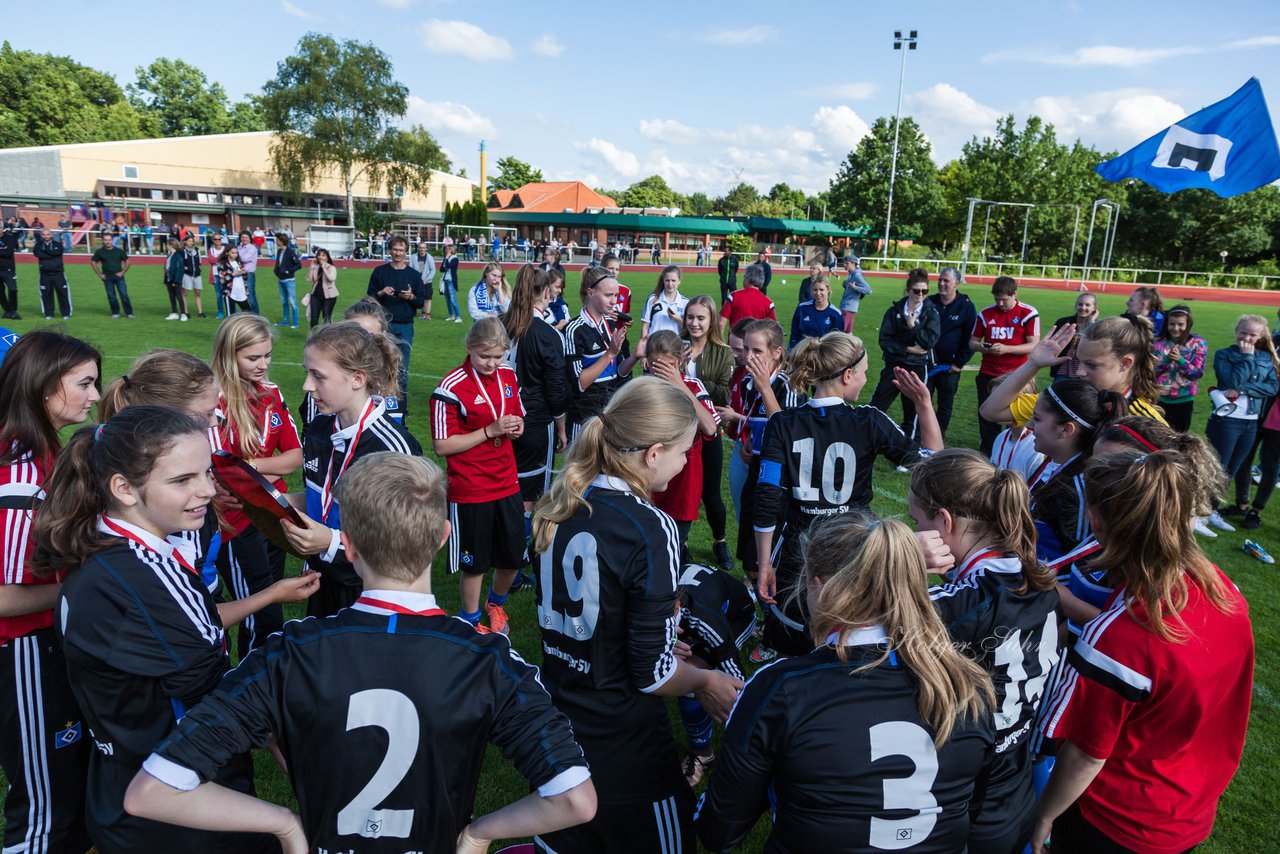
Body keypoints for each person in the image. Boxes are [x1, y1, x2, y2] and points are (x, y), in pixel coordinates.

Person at [123, 452, 597, 853]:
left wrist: (284, 824)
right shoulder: (489, 660)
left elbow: (152, 792)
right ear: (440, 540)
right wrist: (478, 834)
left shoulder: (288, 653)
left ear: (346, 548)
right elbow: (575, 799)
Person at [32, 407, 290, 854]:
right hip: (179, 808)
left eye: (208, 473)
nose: (208, 490)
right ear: (123, 489)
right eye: (182, 480)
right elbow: (217, 694)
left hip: (125, 787)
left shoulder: (107, 548)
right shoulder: (144, 577)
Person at [696, 512, 996, 853]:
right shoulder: (969, 685)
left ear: (821, 586)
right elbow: (971, 808)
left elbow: (718, 829)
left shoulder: (783, 689)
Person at [532, 378, 744, 854]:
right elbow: (650, 674)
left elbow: (595, 620)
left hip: (559, 728)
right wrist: (704, 682)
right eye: (685, 450)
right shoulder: (650, 525)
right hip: (624, 744)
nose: (688, 460)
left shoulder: (558, 502)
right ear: (653, 453)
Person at [1032, 450, 1253, 854]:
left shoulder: (1122, 637)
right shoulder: (1226, 594)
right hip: (1189, 810)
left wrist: (1044, 816)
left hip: (1114, 823)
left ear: (1097, 523)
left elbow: (1085, 755)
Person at [755, 330, 941, 663]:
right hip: (856, 549)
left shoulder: (783, 423)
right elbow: (931, 462)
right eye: (864, 372)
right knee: (854, 639)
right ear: (847, 375)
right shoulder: (869, 420)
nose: (866, 379)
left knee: (796, 645)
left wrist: (765, 562)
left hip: (801, 552)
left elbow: (767, 499)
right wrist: (924, 404)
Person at [910, 450, 1061, 854]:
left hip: (961, 800)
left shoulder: (958, 605)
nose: (917, 530)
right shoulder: (1038, 579)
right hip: (1013, 785)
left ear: (944, 521)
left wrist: (903, 559)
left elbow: (844, 615)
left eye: (917, 522)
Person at [0, 331, 100, 854]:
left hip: (43, 646)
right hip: (23, 652)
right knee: (43, 806)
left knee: (66, 787)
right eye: (83, 383)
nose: (95, 395)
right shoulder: (20, 472)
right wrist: (82, 581)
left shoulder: (43, 450)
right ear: (43, 387)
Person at [285, 323, 423, 617]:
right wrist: (265, 499)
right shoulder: (320, 428)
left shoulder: (394, 449)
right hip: (323, 579)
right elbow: (320, 497)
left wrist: (331, 541)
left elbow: (402, 542)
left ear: (357, 378)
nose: (307, 386)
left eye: (318, 376)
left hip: (375, 591)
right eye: (307, 373)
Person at [211, 314, 304, 655]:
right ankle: (253, 682)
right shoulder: (214, 401)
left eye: (267, 356)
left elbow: (294, 456)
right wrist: (248, 473)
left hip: (273, 512)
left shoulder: (272, 393)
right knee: (259, 609)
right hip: (234, 523)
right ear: (228, 354)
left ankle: (268, 676)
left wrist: (247, 467)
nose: (263, 364)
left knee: (272, 602)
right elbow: (219, 472)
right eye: (253, 358)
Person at [431, 318, 526, 632]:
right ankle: (469, 620)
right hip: (471, 488)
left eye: (498, 356)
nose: (492, 363)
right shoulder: (450, 387)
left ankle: (495, 604)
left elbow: (517, 412)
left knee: (513, 557)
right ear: (469, 347)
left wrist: (517, 426)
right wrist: (490, 431)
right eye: (485, 355)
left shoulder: (509, 375)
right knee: (475, 563)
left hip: (507, 481)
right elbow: (442, 446)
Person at [724, 320, 805, 590]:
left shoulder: (788, 385)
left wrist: (765, 389)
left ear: (777, 352)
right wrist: (748, 440)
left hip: (778, 477)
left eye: (757, 351)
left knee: (763, 555)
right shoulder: (749, 381)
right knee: (748, 550)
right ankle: (759, 598)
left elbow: (789, 433)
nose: (748, 356)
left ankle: (772, 607)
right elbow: (754, 421)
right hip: (755, 468)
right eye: (745, 349)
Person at [671, 562, 756, 787]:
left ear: (677, 608)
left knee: (690, 676)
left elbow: (735, 678)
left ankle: (703, 753)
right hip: (700, 609)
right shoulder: (651, 600)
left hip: (735, 618)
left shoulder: (702, 616)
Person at [644, 331, 720, 557]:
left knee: (672, 551)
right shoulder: (642, 388)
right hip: (646, 484)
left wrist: (679, 384)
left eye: (667, 366)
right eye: (655, 366)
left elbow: (710, 427)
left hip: (682, 487)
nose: (661, 373)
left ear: (678, 362)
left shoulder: (693, 387)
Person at [503, 266, 569, 521]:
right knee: (531, 491)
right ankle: (519, 546)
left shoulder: (498, 323)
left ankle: (505, 539)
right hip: (535, 422)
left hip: (498, 417)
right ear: (545, 293)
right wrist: (562, 428)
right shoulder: (549, 334)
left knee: (504, 480)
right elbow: (556, 389)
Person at [1203, 313, 1280, 531]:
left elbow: (1271, 387)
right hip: (1227, 420)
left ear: (1261, 335)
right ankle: (1200, 512)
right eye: (1243, 332)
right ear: (1236, 331)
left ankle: (1212, 510)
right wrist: (1246, 359)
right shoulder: (1225, 355)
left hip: (1251, 422)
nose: (1247, 337)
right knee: (1217, 467)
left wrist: (1243, 390)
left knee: (1232, 469)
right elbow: (1229, 381)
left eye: (1252, 334)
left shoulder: (1266, 358)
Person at [683, 295, 734, 571]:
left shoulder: (722, 351)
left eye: (701, 318)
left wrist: (691, 381)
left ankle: (720, 541)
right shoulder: (675, 345)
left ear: (711, 320)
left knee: (710, 493)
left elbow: (725, 393)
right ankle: (682, 543)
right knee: (680, 490)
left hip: (709, 430)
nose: (694, 323)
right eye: (690, 317)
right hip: (679, 429)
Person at [564, 267, 644, 442]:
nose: (614, 301)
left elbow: (619, 374)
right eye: (608, 295)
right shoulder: (574, 329)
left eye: (616, 295)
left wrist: (635, 357)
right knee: (582, 469)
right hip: (584, 418)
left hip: (609, 413)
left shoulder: (611, 324)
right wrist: (609, 354)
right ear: (590, 293)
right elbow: (578, 384)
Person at [971, 276, 1041, 455]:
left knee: (1016, 416)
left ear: (1014, 294)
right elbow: (972, 342)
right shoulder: (986, 314)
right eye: (997, 299)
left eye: (1004, 299)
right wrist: (983, 348)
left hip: (1018, 376)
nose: (1000, 303)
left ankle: (1017, 451)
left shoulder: (1028, 313)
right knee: (986, 416)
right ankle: (988, 452)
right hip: (989, 373)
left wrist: (1007, 349)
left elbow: (1033, 344)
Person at [871, 268, 941, 437]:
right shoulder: (894, 311)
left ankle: (909, 455)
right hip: (894, 365)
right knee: (877, 406)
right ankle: (868, 439)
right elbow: (885, 341)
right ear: (908, 290)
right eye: (916, 290)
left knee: (913, 413)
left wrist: (914, 326)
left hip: (917, 367)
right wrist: (908, 349)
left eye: (925, 291)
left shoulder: (931, 312)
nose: (920, 294)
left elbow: (929, 342)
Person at [366, 234, 426, 416]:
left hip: (405, 326)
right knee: (380, 365)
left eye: (401, 250)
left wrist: (412, 297)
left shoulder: (414, 276)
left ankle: (401, 406)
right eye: (395, 249)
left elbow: (421, 302)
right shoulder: (379, 272)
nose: (398, 253)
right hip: (383, 326)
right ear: (390, 250)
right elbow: (368, 298)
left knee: (402, 368)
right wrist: (381, 292)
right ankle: (376, 403)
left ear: (406, 252)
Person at [927, 265, 977, 437]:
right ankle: (920, 435)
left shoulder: (966, 306)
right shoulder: (929, 302)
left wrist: (958, 363)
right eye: (940, 280)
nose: (941, 283)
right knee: (920, 401)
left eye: (946, 280)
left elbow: (971, 338)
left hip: (950, 367)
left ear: (956, 283)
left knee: (945, 404)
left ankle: (939, 436)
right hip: (926, 364)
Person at [1153, 304, 1206, 432]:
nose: (1176, 328)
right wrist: (1166, 360)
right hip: (1159, 399)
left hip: (1184, 400)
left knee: (1178, 439)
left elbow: (1197, 374)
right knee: (1156, 437)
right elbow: (1151, 372)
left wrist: (1180, 360)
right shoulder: (1158, 343)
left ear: (1188, 324)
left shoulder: (1198, 344)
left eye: (1180, 324)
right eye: (1172, 324)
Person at [719, 263, 776, 337]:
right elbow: (773, 329)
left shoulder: (734, 296)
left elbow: (721, 323)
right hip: (755, 346)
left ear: (748, 279)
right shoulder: (768, 303)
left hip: (734, 345)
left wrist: (720, 345)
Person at [1050, 293, 1098, 380]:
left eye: (1087, 305)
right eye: (1080, 304)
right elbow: (1052, 345)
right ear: (1076, 306)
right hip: (1063, 370)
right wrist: (1066, 351)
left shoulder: (1097, 326)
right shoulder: (1064, 322)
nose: (1083, 308)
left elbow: (1097, 349)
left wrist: (1091, 322)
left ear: (1094, 308)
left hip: (1085, 373)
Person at [788, 274, 842, 349]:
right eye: (815, 290)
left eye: (821, 290)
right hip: (803, 353)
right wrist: (792, 348)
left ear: (828, 290)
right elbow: (794, 332)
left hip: (824, 355)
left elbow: (838, 340)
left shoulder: (836, 313)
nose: (818, 293)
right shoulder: (802, 308)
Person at [91, 233, 134, 318]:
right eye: (105, 240)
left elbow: (128, 261)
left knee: (124, 295)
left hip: (119, 277)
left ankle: (129, 313)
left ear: (112, 240)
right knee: (111, 296)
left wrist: (122, 272)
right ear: (103, 241)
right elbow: (93, 262)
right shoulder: (100, 252)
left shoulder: (119, 251)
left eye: (109, 240)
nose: (107, 242)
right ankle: (115, 312)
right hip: (107, 278)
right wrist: (100, 274)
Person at [34, 227, 72, 320]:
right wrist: (51, 253)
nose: (46, 236)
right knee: (46, 294)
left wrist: (46, 253)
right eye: (44, 234)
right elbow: (38, 254)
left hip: (58, 273)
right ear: (41, 235)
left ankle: (66, 313)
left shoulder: (58, 245)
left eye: (48, 234)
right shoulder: (38, 246)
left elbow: (57, 252)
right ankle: (48, 313)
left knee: (63, 293)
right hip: (44, 274)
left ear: (51, 235)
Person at [640, 265, 689, 337]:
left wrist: (678, 319)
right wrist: (643, 342)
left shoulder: (685, 302)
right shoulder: (653, 299)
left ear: (679, 281)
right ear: (663, 280)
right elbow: (645, 324)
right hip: (654, 345)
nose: (670, 284)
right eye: (667, 280)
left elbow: (689, 328)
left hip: (674, 346)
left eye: (673, 280)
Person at [273, 232, 303, 329]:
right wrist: (277, 272)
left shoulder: (290, 252)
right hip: (280, 280)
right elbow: (278, 264)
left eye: (277, 240)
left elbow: (298, 265)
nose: (276, 241)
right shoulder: (279, 251)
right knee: (284, 301)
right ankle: (285, 321)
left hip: (289, 280)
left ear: (282, 241)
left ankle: (295, 323)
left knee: (292, 301)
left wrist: (288, 271)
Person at [304, 247, 339, 328]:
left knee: (326, 318)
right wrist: (311, 268)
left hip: (329, 297)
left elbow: (331, 278)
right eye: (319, 255)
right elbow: (309, 279)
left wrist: (324, 267)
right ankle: (313, 336)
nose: (320, 257)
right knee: (314, 318)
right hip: (315, 295)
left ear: (327, 257)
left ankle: (326, 337)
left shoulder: (331, 268)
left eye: (323, 255)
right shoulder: (316, 267)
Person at [837, 254, 872, 332]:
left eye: (847, 263)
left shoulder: (857, 275)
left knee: (840, 332)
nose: (844, 265)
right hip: (848, 306)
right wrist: (845, 285)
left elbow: (868, 290)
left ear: (853, 263)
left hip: (848, 306)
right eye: (844, 263)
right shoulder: (851, 274)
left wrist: (855, 288)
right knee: (848, 332)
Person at [217, 244, 251, 314]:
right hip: (230, 293)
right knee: (231, 316)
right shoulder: (222, 264)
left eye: (236, 253)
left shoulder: (238, 262)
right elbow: (222, 280)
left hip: (241, 292)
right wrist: (233, 274)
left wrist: (244, 273)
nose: (235, 255)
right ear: (227, 253)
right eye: (232, 253)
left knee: (249, 313)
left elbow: (245, 278)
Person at [408, 240, 436, 321]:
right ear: (418, 248)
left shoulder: (429, 258)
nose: (422, 249)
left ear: (426, 248)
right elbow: (410, 269)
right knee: (419, 297)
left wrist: (427, 279)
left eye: (423, 248)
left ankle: (427, 314)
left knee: (428, 298)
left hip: (427, 281)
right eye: (420, 247)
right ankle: (423, 313)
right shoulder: (413, 257)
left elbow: (433, 270)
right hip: (416, 281)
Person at [180, 234, 205, 318]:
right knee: (185, 293)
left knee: (198, 293)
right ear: (185, 242)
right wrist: (184, 267)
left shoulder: (197, 250)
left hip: (197, 274)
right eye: (189, 240)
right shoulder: (182, 251)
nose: (191, 242)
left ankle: (200, 312)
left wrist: (199, 268)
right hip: (187, 274)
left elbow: (200, 262)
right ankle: (185, 312)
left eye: (192, 240)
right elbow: (179, 263)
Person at [162, 238, 188, 321]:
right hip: (169, 279)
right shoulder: (169, 255)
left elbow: (180, 269)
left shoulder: (178, 256)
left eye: (167, 244)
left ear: (171, 245)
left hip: (175, 280)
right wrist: (166, 279)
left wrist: (176, 281)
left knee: (179, 296)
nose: (166, 246)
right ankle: (174, 313)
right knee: (171, 296)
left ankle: (183, 314)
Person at [235, 231, 260, 313]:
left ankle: (256, 314)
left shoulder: (252, 248)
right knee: (241, 294)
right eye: (242, 237)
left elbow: (244, 259)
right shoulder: (239, 247)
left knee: (251, 296)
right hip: (239, 274)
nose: (244, 239)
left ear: (250, 239)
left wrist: (235, 255)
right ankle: (247, 312)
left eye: (246, 237)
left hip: (249, 274)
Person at [438, 242, 462, 323]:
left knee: (453, 300)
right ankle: (451, 316)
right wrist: (446, 259)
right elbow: (441, 269)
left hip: (451, 281)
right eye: (446, 249)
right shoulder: (446, 258)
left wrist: (447, 259)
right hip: (445, 281)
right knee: (448, 300)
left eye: (448, 249)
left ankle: (458, 317)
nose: (446, 250)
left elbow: (448, 266)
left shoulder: (455, 259)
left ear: (452, 250)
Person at [0, 220, 19, 319]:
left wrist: (4, 251)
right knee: (0, 292)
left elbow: (8, 252)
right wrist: (3, 250)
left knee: (13, 289)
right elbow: (4, 251)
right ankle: (7, 310)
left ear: (2, 228)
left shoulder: (9, 238)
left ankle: (13, 310)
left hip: (8, 269)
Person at [207, 233, 228, 319]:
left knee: (227, 294)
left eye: (219, 239)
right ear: (212, 240)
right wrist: (220, 259)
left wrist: (218, 260)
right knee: (219, 294)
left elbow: (226, 260)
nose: (217, 241)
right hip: (216, 274)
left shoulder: (225, 249)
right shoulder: (211, 249)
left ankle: (230, 311)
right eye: (215, 239)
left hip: (225, 274)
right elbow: (211, 260)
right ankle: (220, 312)